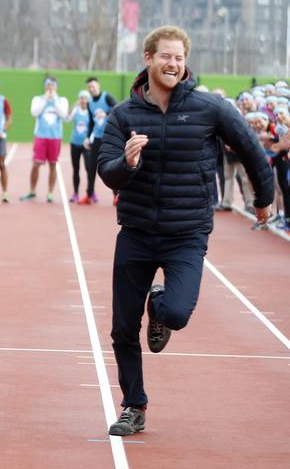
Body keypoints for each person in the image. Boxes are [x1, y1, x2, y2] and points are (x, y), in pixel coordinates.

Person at [97, 25, 274, 436]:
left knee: (176, 312)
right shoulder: (124, 115)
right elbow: (107, 172)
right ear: (148, 59)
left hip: (187, 234)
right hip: (137, 232)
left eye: (179, 57)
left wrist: (263, 199)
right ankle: (134, 406)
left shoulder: (209, 108)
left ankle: (159, 306)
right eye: (165, 56)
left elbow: (249, 146)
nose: (173, 63)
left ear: (185, 62)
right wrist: (127, 163)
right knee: (123, 327)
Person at [20, 77, 68, 203]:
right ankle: (32, 191)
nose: (50, 88)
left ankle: (50, 192)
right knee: (36, 164)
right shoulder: (38, 99)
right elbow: (34, 112)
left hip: (55, 137)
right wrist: (46, 99)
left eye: (53, 85)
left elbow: (63, 114)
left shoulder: (62, 100)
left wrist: (54, 99)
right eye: (48, 85)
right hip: (41, 136)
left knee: (53, 165)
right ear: (45, 86)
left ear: (56, 87)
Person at [84, 76, 117, 204]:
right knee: (92, 167)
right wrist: (87, 137)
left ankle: (116, 196)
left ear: (98, 85)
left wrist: (106, 113)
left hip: (109, 137)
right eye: (89, 87)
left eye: (93, 86)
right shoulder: (89, 103)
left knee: (111, 168)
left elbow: (117, 109)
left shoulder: (107, 97)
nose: (91, 89)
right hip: (97, 138)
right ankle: (89, 194)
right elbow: (91, 122)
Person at [65, 89, 93, 203]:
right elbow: (67, 119)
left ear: (88, 100)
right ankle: (76, 193)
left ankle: (91, 192)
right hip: (75, 143)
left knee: (89, 168)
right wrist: (73, 106)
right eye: (81, 98)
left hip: (86, 145)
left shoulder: (91, 112)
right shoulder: (76, 110)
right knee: (76, 169)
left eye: (85, 98)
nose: (83, 100)